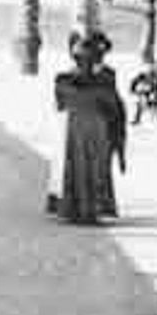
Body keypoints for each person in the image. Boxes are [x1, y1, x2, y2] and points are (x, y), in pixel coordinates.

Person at [52, 32, 127, 225]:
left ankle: (82, 208)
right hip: (88, 127)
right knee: (88, 165)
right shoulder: (71, 79)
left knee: (87, 165)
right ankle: (85, 209)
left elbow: (61, 104)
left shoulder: (68, 79)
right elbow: (113, 105)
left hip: (87, 126)